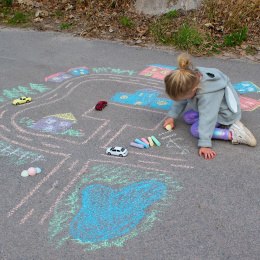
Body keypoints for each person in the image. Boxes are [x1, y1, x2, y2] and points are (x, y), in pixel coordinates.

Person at [163, 53, 257, 160]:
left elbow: (208, 117)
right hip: (212, 107)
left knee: (196, 130)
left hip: (225, 113)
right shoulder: (189, 77)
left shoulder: (207, 94)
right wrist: (172, 116)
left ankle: (235, 133)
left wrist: (205, 144)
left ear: (193, 90)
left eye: (183, 97)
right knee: (187, 117)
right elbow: (181, 99)